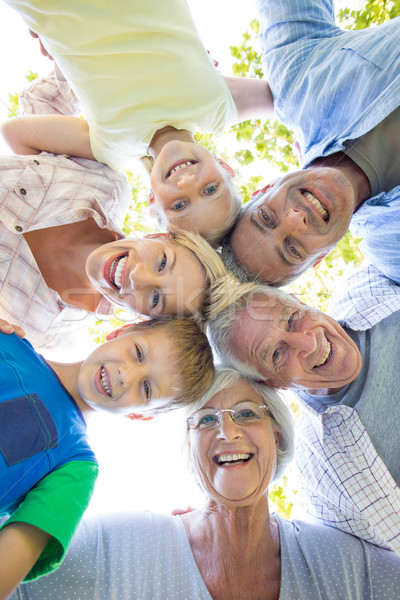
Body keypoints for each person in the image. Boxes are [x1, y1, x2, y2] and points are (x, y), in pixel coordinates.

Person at [8, 368, 400, 600]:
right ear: (190, 447)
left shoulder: (345, 566)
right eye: (206, 420)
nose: (227, 430)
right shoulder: (112, 545)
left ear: (277, 435)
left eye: (246, 413)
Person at [2, 0, 271, 244]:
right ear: (225, 168)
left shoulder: (110, 148)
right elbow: (287, 98)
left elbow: (16, 133)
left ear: (153, 201)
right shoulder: (218, 108)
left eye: (178, 205)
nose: (187, 182)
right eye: (210, 189)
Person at [0, 67, 229, 349]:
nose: (138, 277)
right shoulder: (106, 184)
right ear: (159, 237)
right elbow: (43, 105)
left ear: (141, 318)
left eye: (156, 299)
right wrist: (166, 74)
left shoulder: (46, 334)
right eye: (161, 263)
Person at [0, 315, 214, 599]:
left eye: (146, 388)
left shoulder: (77, 469)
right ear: (121, 330)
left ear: (141, 414)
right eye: (138, 353)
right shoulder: (9, 339)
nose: (126, 375)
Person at [208, 267, 400, 552]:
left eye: (292, 319)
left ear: (299, 300)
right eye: (276, 354)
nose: (309, 343)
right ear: (272, 382)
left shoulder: (371, 284)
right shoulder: (325, 478)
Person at [220, 0, 400, 284]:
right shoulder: (394, 252)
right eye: (293, 249)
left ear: (265, 188)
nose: (295, 220)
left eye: (267, 217)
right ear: (320, 259)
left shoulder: (298, 81)